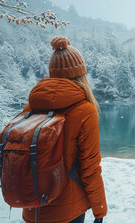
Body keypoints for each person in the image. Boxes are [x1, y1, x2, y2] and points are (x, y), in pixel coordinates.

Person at [21, 36, 107, 223]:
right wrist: (99, 210)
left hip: (32, 206)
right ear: (81, 74)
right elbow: (89, 168)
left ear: (52, 73)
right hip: (68, 210)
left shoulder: (32, 106)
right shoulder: (84, 110)